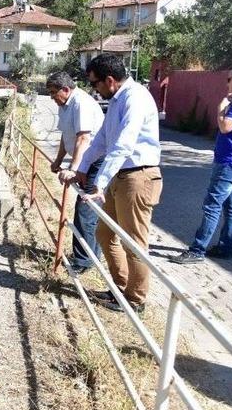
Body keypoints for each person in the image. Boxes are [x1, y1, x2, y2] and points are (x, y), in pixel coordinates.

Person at [63, 54, 162, 313]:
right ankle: (120, 286)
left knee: (134, 242)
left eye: (95, 84)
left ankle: (135, 300)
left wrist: (99, 182)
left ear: (109, 80)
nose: (94, 90)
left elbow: (123, 144)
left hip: (138, 177)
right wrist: (82, 169)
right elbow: (102, 141)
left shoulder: (135, 98)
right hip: (122, 176)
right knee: (105, 234)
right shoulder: (117, 100)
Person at [171, 63, 232, 264]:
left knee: (212, 204)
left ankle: (197, 250)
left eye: (229, 79)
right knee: (231, 205)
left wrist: (220, 108)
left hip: (230, 163)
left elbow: (225, 127)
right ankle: (225, 247)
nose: (227, 83)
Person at [46, 72, 105, 275]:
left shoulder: (81, 104)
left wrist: (73, 170)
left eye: (54, 93)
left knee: (86, 212)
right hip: (84, 163)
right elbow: (67, 136)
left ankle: (85, 261)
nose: (52, 97)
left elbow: (83, 139)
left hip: (96, 163)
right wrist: (58, 160)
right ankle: (90, 256)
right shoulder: (65, 105)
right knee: (86, 211)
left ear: (66, 89)